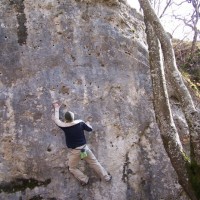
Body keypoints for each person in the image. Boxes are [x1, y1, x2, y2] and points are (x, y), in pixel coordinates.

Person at [52, 101, 112, 186]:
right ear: (73, 118)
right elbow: (90, 129)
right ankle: (106, 177)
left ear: (65, 119)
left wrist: (56, 108)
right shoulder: (80, 123)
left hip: (76, 151)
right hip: (84, 149)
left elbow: (57, 120)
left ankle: (85, 179)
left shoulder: (64, 127)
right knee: (95, 163)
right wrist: (88, 124)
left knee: (72, 168)